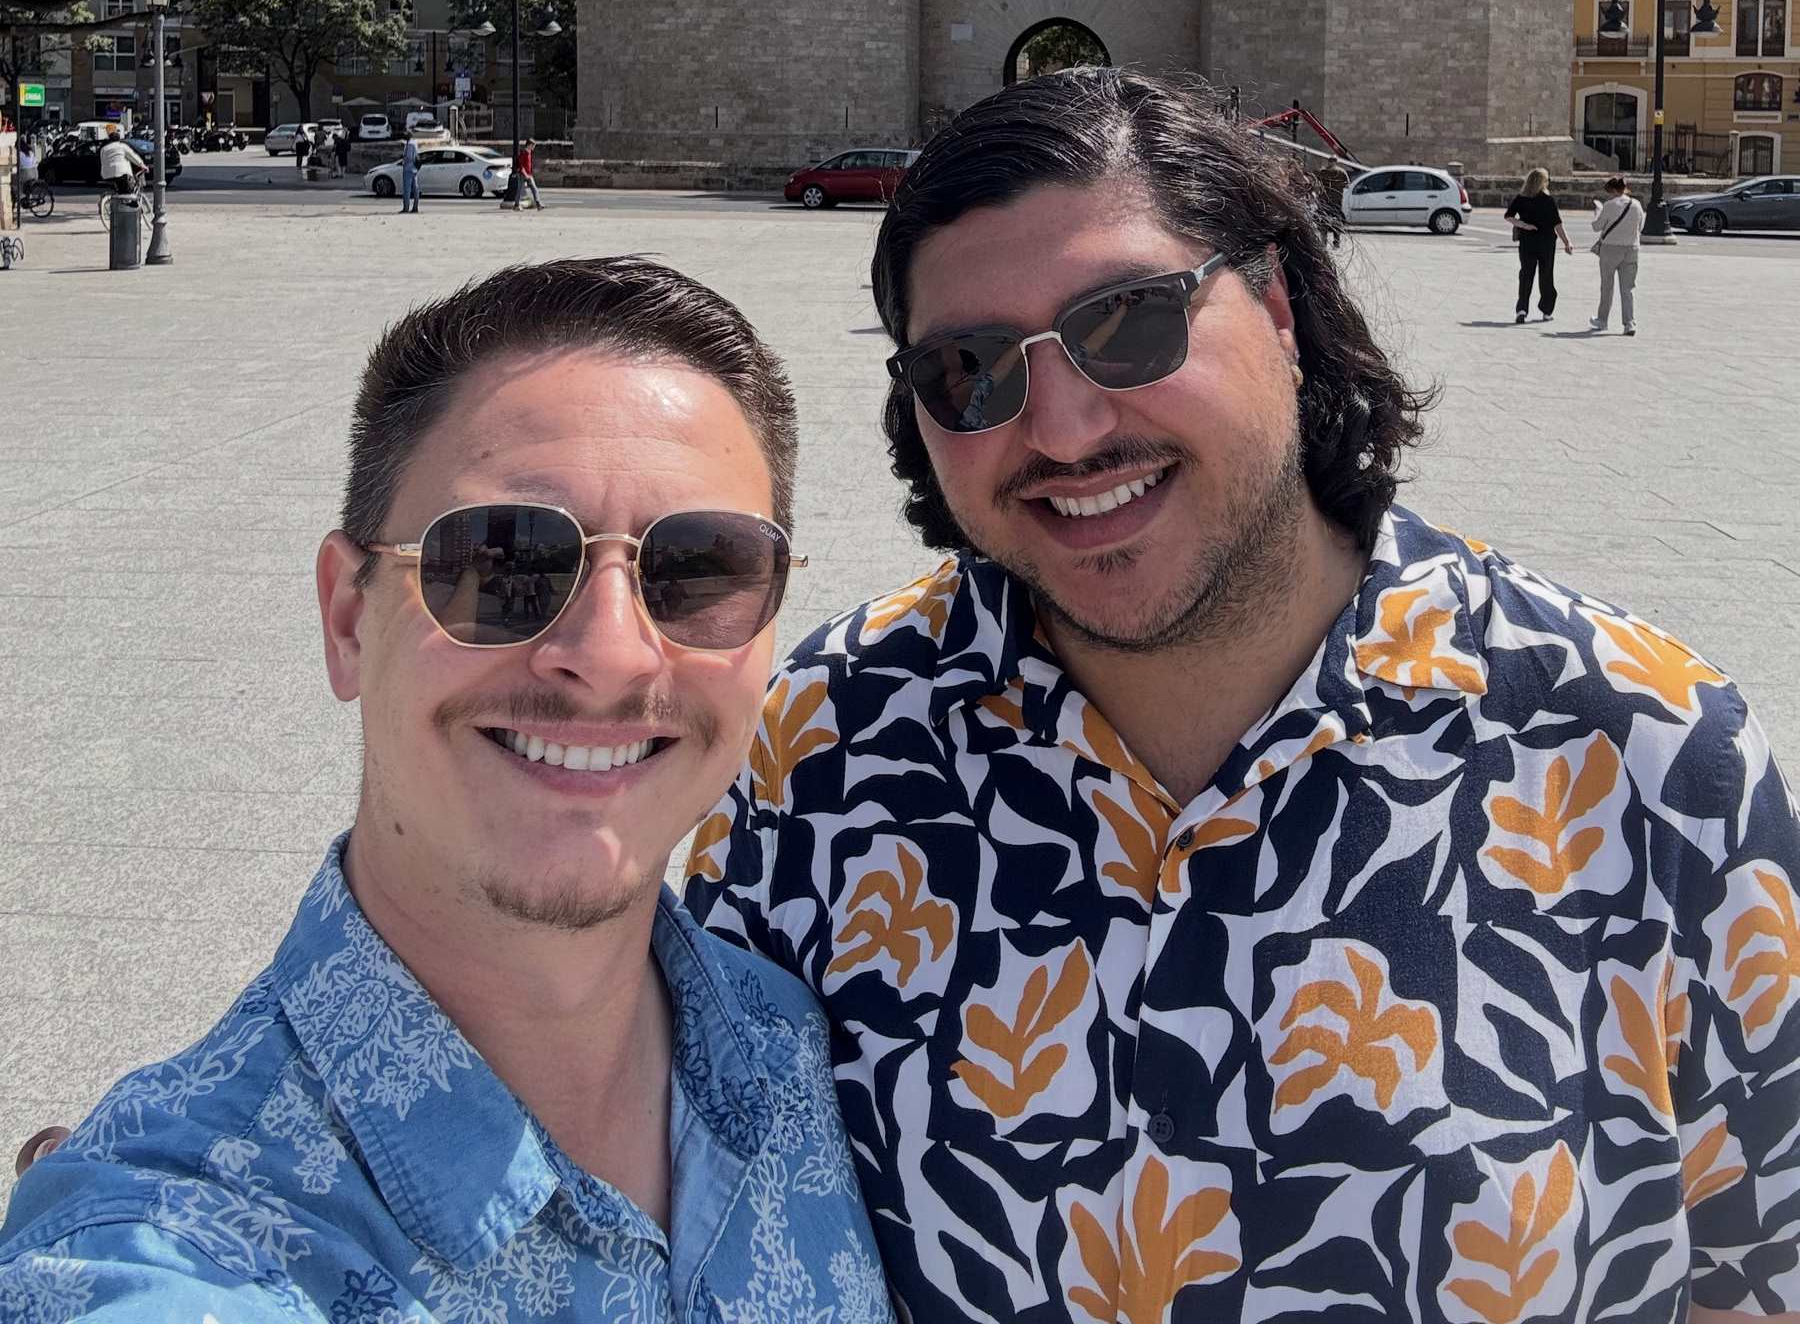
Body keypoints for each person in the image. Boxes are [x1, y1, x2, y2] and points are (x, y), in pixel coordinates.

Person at [688, 70, 1800, 1324]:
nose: (1060, 427)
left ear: (1275, 302)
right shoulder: (819, 751)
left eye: (1129, 321)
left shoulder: (1647, 755)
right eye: (968, 369)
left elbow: (1758, 1269)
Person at [0, 258, 892, 1323]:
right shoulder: (170, 1246)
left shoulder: (808, 1047)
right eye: (501, 561)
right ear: (347, 618)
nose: (609, 655)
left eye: (697, 571)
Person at [1503, 162, 1570, 319]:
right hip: (1546, 242)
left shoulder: (1521, 198)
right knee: (1546, 275)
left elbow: (1509, 215)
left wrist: (1523, 225)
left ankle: (1522, 309)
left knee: (1526, 274)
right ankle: (1546, 310)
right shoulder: (1548, 200)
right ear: (1543, 182)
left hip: (1528, 241)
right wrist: (1567, 242)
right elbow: (1557, 224)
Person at [1590, 171, 1645, 335]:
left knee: (1607, 286)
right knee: (1628, 289)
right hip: (1631, 249)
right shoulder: (1636, 204)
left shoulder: (1609, 205)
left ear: (1613, 191)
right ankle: (1629, 323)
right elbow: (1640, 227)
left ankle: (1602, 320)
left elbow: (1596, 226)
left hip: (1610, 249)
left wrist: (1597, 212)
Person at [97, 125, 145, 195]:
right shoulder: (122, 147)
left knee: (119, 189)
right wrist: (142, 165)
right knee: (128, 189)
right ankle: (131, 201)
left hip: (106, 174)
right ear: (119, 139)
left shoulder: (104, 149)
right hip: (121, 173)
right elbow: (133, 157)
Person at [1314, 155, 1348, 247]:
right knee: (1337, 221)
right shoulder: (1342, 172)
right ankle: (1336, 241)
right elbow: (1346, 185)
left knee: (1323, 221)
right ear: (1337, 162)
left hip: (1324, 200)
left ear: (1328, 161)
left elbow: (1317, 183)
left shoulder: (1324, 172)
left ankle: (1323, 241)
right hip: (1336, 200)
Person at [517, 136, 543, 211]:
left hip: (529, 174)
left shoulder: (529, 153)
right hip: (523, 175)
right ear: (529, 145)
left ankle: (538, 204)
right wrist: (526, 175)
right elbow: (521, 166)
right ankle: (517, 204)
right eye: (533, 145)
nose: (534, 147)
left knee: (534, 189)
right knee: (520, 190)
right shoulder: (523, 153)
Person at [401, 128, 421, 213]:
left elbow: (409, 157)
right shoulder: (415, 143)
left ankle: (406, 208)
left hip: (408, 168)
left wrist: (404, 160)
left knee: (407, 190)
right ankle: (415, 207)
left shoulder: (409, 144)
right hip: (414, 169)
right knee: (416, 189)